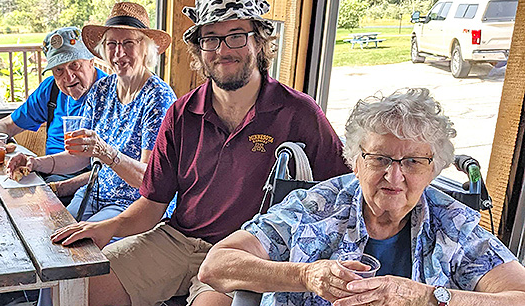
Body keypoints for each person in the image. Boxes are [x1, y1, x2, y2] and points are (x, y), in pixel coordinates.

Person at [50, 0, 351, 306]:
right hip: (176, 239)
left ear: (260, 41)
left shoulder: (297, 112)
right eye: (210, 39)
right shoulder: (182, 113)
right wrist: (108, 227)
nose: (223, 50)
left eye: (236, 36)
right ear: (199, 48)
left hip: (242, 253)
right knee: (83, 288)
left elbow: (344, 188)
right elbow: (152, 205)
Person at [199, 88, 525, 305]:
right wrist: (306, 275)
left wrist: (428, 296)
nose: (393, 176)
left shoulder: (452, 224)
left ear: (434, 169)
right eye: (379, 158)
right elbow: (216, 265)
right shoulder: (314, 207)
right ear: (356, 162)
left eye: (413, 161)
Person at [8, 2, 176, 223]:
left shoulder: (158, 97)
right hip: (94, 193)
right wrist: (35, 162)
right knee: (48, 228)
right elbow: (80, 157)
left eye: (128, 43)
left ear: (145, 47)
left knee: (79, 247)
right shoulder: (102, 90)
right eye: (112, 43)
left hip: (133, 205)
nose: (118, 52)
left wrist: (105, 152)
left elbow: (148, 178)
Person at [0, 27, 107, 196]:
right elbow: (7, 125)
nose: (68, 77)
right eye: (59, 70)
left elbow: (111, 171)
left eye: (74, 65)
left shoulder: (110, 95)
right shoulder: (51, 90)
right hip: (48, 176)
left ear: (91, 61)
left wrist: (58, 189)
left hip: (89, 188)